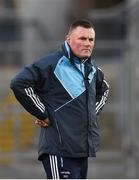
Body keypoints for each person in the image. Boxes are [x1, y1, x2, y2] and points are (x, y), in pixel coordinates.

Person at [10, 19, 109, 179]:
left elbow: (104, 90)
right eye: (82, 38)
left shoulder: (93, 70)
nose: (87, 43)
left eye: (91, 39)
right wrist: (43, 114)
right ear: (68, 39)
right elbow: (19, 83)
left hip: (81, 151)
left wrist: (90, 113)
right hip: (58, 150)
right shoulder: (51, 64)